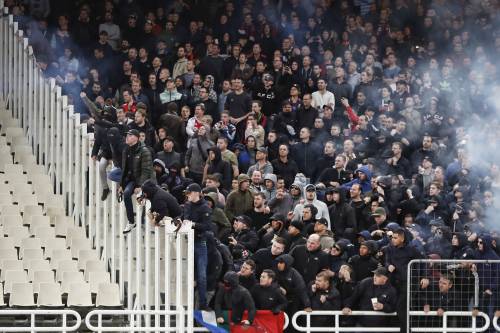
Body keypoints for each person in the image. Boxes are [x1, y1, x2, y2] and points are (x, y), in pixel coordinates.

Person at [183, 183, 212, 310]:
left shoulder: (205, 207)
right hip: (187, 241)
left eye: (189, 193)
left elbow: (207, 226)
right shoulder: (187, 205)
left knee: (202, 275)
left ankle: (203, 303)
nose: (187, 195)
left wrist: (192, 224)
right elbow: (185, 219)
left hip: (200, 242)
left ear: (196, 193)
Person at [120, 129, 155, 233]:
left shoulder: (144, 151)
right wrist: (121, 184)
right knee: (126, 193)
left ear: (136, 137)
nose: (127, 137)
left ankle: (148, 222)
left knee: (143, 201)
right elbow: (124, 169)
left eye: (130, 135)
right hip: (132, 180)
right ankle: (131, 222)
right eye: (127, 135)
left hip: (145, 181)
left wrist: (140, 186)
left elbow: (146, 170)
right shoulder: (126, 150)